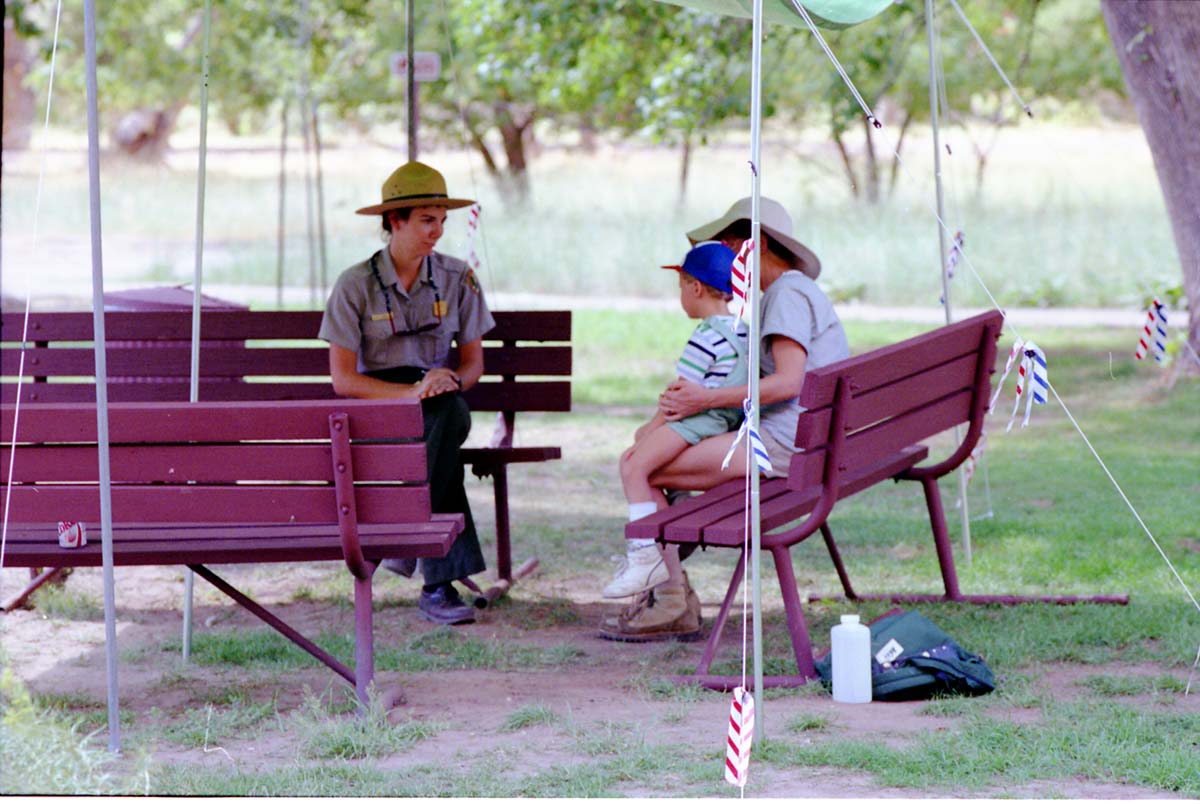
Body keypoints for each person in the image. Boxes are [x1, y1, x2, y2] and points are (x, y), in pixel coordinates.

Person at [599, 196, 851, 642]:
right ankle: (668, 575)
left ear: (758, 244)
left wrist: (706, 399)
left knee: (641, 461)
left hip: (786, 445)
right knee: (649, 458)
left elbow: (789, 383)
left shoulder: (786, 294)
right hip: (809, 441)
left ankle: (670, 595)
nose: (722, 257)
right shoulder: (788, 293)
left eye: (728, 245)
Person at [319, 161, 493, 626]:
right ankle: (437, 585)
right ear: (395, 220)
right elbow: (344, 380)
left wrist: (445, 380)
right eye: (426, 219)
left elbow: (474, 364)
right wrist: (409, 393)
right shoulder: (355, 285)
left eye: (442, 220)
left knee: (446, 413)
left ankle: (404, 546)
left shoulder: (458, 278)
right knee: (442, 439)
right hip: (377, 412)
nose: (437, 231)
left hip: (442, 398)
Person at [602, 242, 750, 608]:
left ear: (695, 287)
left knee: (634, 462)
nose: (681, 295)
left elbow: (678, 398)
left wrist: (647, 430)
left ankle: (644, 557)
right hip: (723, 424)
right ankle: (677, 512)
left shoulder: (705, 337)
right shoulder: (742, 331)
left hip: (695, 421)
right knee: (645, 467)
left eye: (681, 286)